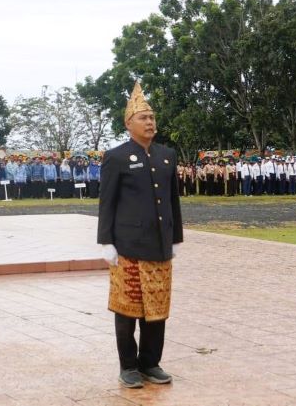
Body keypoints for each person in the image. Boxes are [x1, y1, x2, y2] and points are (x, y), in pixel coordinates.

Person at [97, 82, 183, 389]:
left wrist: (176, 237)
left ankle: (150, 363)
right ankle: (128, 366)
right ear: (128, 124)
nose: (150, 122)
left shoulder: (166, 155)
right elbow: (107, 202)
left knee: (157, 310)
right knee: (128, 309)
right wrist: (106, 241)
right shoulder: (116, 157)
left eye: (152, 117)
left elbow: (173, 200)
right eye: (143, 118)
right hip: (128, 247)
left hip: (159, 245)